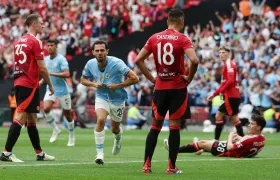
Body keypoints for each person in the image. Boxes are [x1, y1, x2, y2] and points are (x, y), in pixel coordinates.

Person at [135, 8, 199, 174]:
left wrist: (152, 78)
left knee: (155, 126)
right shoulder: (182, 38)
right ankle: (171, 167)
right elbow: (194, 60)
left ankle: (146, 166)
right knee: (174, 127)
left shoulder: (154, 37)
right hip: (177, 87)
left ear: (167, 21)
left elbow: (138, 59)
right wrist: (189, 78)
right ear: (182, 22)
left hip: (160, 87)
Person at [0, 14, 55, 162]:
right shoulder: (35, 41)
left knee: (32, 118)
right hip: (28, 84)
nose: (43, 26)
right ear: (34, 24)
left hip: (20, 81)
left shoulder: (19, 41)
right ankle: (6, 153)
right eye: (41, 23)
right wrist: (50, 84)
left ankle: (39, 153)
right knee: (21, 117)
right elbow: (42, 67)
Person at [80, 40, 139, 165]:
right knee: (100, 119)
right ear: (93, 52)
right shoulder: (90, 64)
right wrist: (93, 84)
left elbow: (135, 78)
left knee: (114, 128)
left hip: (118, 99)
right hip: (102, 96)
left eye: (102, 50)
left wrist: (118, 85)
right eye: (97, 50)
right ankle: (100, 155)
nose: (100, 53)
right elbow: (82, 79)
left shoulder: (117, 63)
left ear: (107, 51)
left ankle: (118, 139)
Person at [164, 114, 266, 158]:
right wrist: (239, 138)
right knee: (211, 143)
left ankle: (174, 150)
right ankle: (200, 149)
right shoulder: (262, 138)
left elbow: (230, 147)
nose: (249, 125)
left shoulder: (248, 139)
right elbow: (247, 143)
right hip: (239, 152)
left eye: (252, 124)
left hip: (228, 152)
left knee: (202, 143)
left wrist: (230, 136)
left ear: (258, 127)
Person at [40, 39, 75, 146]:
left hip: (62, 90)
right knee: (46, 108)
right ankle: (56, 129)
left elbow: (67, 74)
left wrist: (53, 73)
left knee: (67, 113)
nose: (49, 47)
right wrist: (41, 82)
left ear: (56, 47)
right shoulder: (45, 59)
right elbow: (46, 75)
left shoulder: (61, 59)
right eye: (48, 45)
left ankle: (71, 135)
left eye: (52, 45)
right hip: (50, 89)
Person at [207, 46, 244, 141]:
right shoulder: (227, 65)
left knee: (219, 115)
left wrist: (220, 91)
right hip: (233, 96)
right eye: (220, 53)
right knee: (234, 118)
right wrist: (215, 94)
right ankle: (243, 139)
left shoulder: (229, 64)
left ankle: (216, 139)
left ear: (228, 53)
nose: (221, 55)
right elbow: (225, 82)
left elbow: (231, 81)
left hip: (231, 96)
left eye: (223, 52)